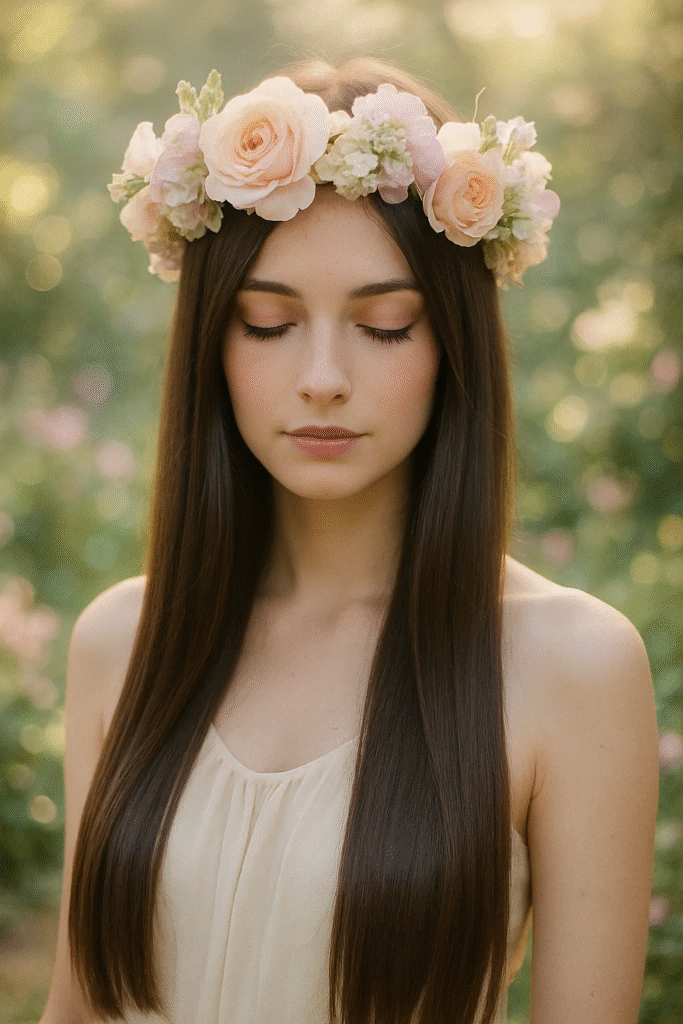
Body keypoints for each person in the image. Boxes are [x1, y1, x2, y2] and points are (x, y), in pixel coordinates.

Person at [40, 56, 659, 1024]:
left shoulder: (565, 664)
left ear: (451, 338)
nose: (322, 376)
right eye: (267, 321)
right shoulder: (123, 640)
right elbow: (81, 1004)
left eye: (383, 324)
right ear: (213, 339)